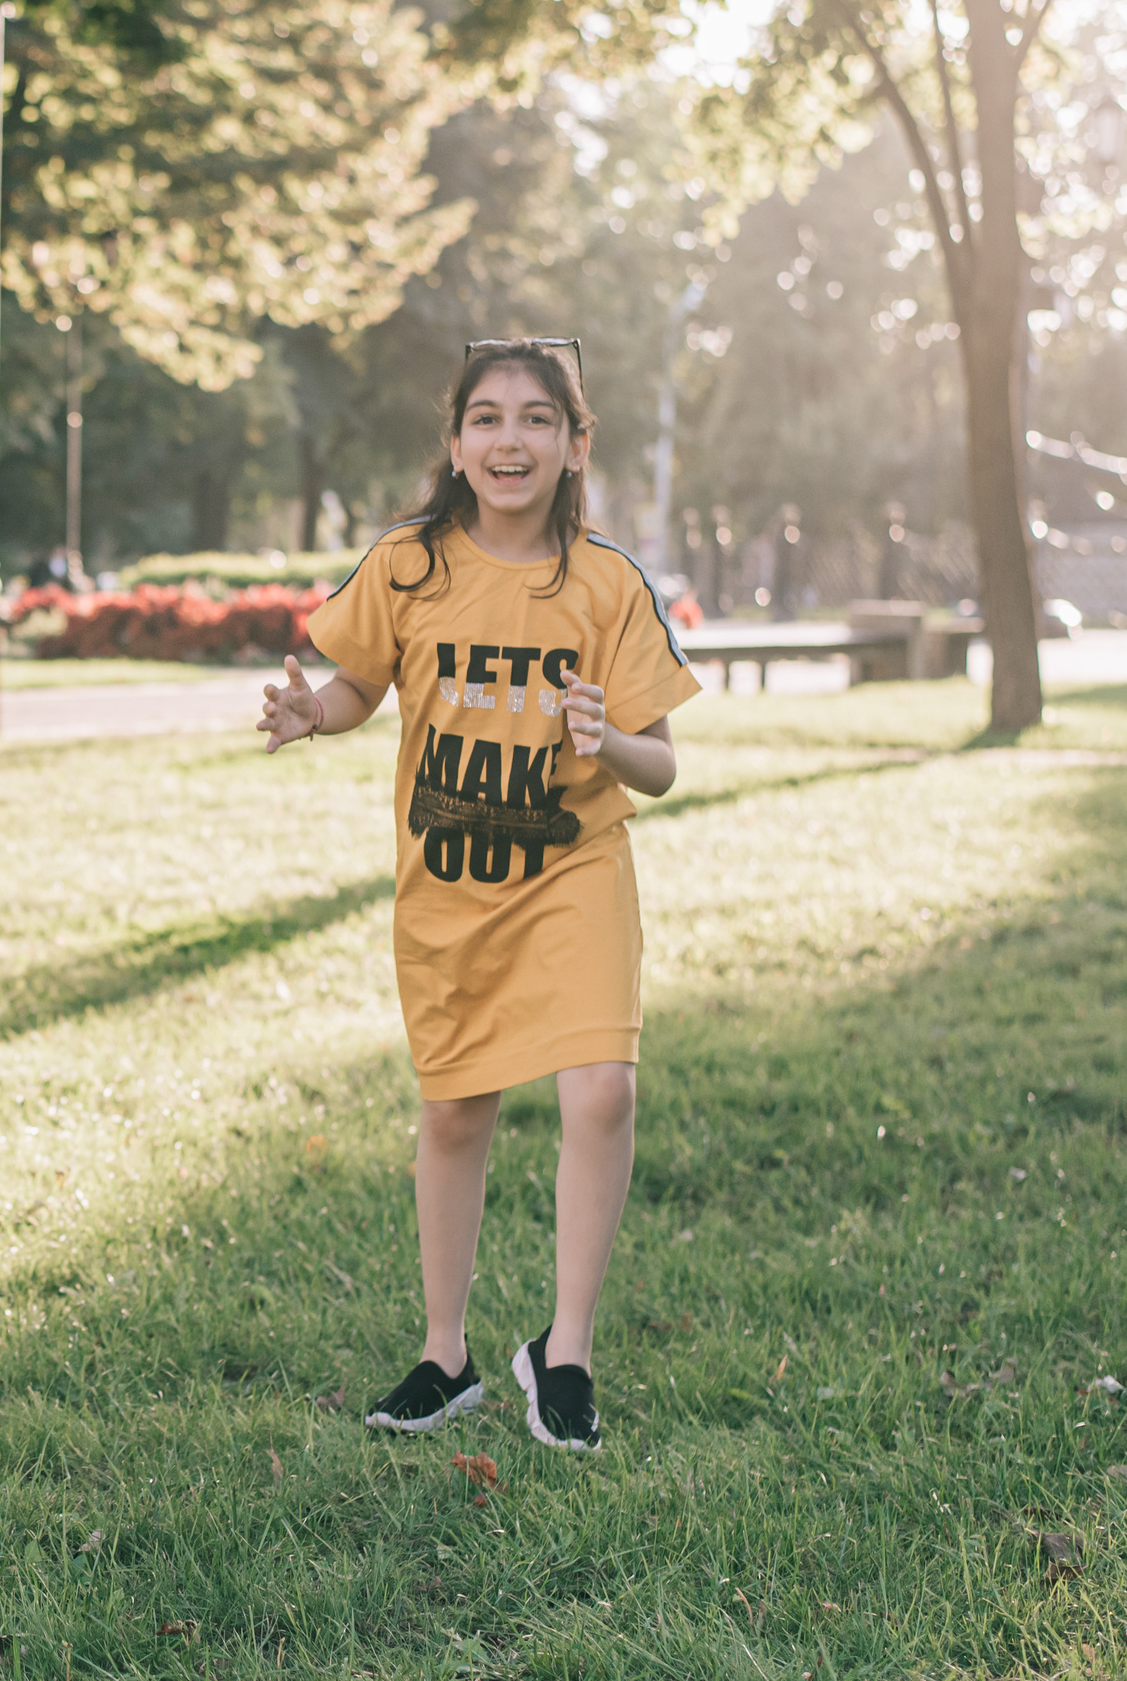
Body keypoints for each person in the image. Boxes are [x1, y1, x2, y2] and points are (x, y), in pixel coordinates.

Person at [256, 339, 700, 1452]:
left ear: (575, 444)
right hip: (450, 885)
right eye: (489, 418)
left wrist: (609, 741)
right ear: (455, 443)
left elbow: (661, 761)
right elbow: (360, 680)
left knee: (598, 1089)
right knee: (457, 1108)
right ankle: (444, 1354)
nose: (512, 439)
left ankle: (567, 1353)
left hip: (572, 871)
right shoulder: (407, 565)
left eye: (538, 419)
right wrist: (314, 713)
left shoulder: (606, 583)